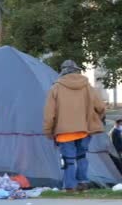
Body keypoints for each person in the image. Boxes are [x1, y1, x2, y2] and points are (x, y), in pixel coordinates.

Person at [43, 60, 105, 192]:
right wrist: (97, 119)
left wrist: (48, 130)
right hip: (84, 131)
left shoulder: (56, 87)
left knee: (69, 159)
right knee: (82, 157)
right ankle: (83, 182)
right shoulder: (87, 86)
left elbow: (49, 113)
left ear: (63, 71)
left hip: (64, 132)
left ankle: (70, 186)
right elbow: (100, 107)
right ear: (76, 70)